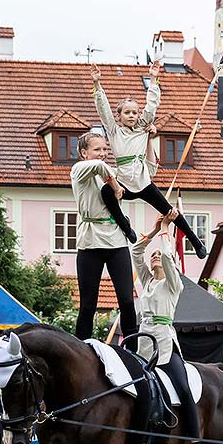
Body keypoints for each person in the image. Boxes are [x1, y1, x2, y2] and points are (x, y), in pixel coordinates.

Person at [90, 61, 207, 259]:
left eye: (134, 112)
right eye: (127, 112)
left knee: (169, 210)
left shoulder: (143, 126)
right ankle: (126, 227)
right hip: (124, 182)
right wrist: (97, 84)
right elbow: (104, 110)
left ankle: (195, 241)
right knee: (105, 192)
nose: (132, 115)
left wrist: (153, 79)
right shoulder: (114, 130)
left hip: (142, 182)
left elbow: (152, 105)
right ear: (119, 116)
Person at [131, 209, 205, 444]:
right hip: (143, 345)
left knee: (184, 390)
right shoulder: (146, 283)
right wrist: (151, 233)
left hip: (165, 343)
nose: (154, 256)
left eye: (158, 255)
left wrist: (166, 232)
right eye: (154, 255)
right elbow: (136, 253)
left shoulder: (173, 285)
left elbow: (170, 261)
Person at [70, 131, 138, 341]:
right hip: (90, 242)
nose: (102, 154)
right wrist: (116, 187)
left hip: (116, 241)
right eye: (97, 149)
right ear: (84, 153)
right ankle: (80, 347)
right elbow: (100, 167)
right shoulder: (79, 170)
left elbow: (140, 175)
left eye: (105, 149)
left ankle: (133, 349)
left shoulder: (111, 171)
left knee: (127, 300)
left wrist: (149, 147)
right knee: (88, 304)